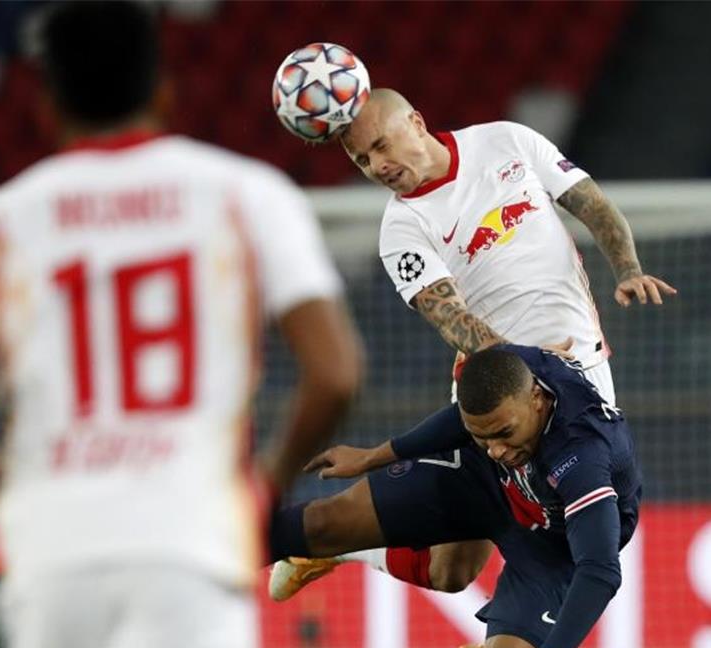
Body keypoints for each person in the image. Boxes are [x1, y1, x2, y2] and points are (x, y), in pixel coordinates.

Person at [0, 3, 363, 648]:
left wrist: (20, 496)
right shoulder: (247, 196)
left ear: (46, 104)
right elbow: (335, 372)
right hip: (185, 537)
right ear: (166, 90)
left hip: (51, 559)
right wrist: (264, 486)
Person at [270, 87, 674, 608]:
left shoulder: (507, 142)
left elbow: (592, 205)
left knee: (497, 559)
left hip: (583, 370)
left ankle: (357, 564)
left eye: (382, 145)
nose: (378, 165)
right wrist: (529, 368)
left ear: (416, 122)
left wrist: (628, 269)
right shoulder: (401, 229)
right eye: (362, 159)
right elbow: (451, 317)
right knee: (462, 566)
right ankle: (336, 552)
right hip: (496, 393)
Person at [267, 345, 642, 648]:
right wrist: (374, 456)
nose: (497, 446)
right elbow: (465, 421)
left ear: (538, 400)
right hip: (486, 484)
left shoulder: (581, 454)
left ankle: (342, 553)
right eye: (484, 436)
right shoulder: (513, 373)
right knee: (324, 525)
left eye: (503, 434)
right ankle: (202, 551)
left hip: (550, 550)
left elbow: (600, 569)